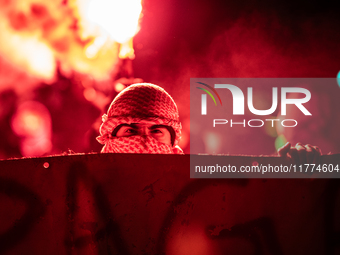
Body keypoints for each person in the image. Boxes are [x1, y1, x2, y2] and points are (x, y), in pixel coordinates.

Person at [97, 83, 321, 162]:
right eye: (130, 131)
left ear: (173, 139)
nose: (144, 143)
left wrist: (287, 171)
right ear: (110, 137)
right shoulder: (82, 188)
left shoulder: (196, 187)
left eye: (156, 131)